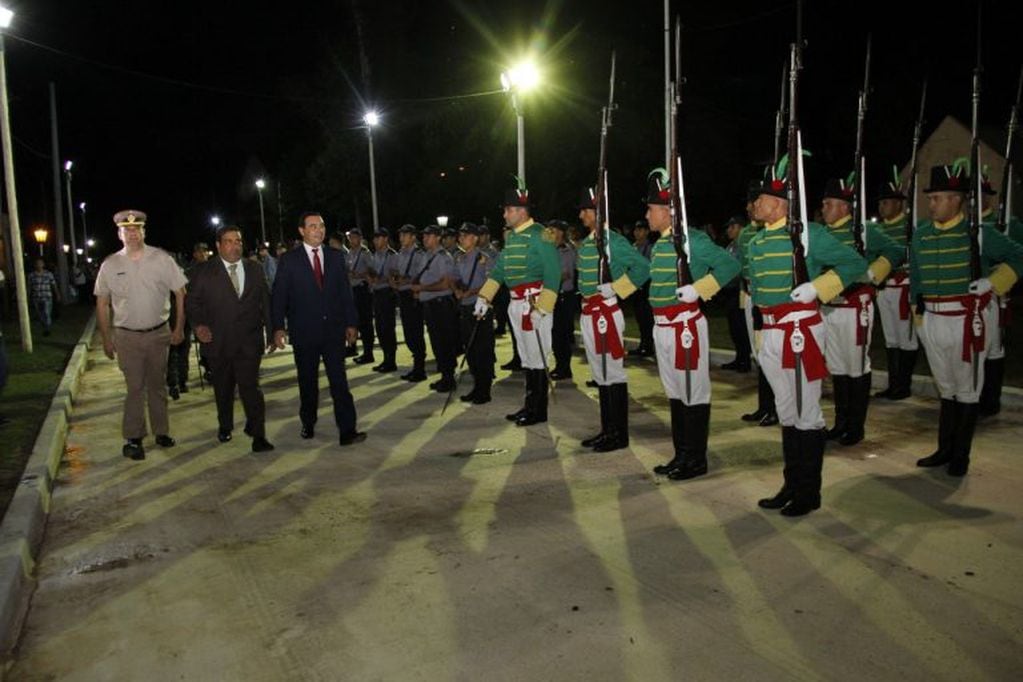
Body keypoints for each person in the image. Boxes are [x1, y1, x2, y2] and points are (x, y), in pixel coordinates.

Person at [749, 167, 866, 516]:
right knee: (787, 411)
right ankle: (791, 483)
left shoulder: (808, 235)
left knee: (806, 413)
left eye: (760, 199)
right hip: (771, 332)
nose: (753, 204)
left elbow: (854, 263)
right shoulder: (756, 242)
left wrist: (818, 288)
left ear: (779, 203)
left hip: (799, 331)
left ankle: (808, 492)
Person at [911, 163, 1023, 476]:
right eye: (931, 198)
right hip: (932, 320)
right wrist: (919, 321)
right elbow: (917, 281)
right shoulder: (921, 235)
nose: (932, 204)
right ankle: (944, 448)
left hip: (967, 320)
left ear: (958, 200)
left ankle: (961, 455)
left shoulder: (979, 234)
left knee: (968, 389)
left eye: (939, 198)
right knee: (946, 389)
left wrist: (994, 282)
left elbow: (1019, 256)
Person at [643, 170, 739, 477]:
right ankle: (681, 454)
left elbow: (730, 265)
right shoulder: (660, 245)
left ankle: (696, 459)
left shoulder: (693, 240)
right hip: (663, 327)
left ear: (667, 211)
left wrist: (699, 289)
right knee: (675, 392)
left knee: (693, 392)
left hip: (684, 326)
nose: (646, 215)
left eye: (650, 209)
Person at [94, 210, 188, 461]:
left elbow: (180, 292)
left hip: (158, 334)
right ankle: (133, 438)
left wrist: (178, 328)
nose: (132, 233)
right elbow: (102, 303)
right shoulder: (110, 265)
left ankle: (161, 431)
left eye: (137, 229)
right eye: (127, 230)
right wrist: (105, 338)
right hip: (127, 337)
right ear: (119, 234)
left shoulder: (161, 259)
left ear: (144, 232)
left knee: (158, 386)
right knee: (135, 387)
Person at [819, 176, 903, 446]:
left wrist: (872, 273)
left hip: (855, 307)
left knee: (856, 366)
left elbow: (895, 250)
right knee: (837, 368)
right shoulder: (823, 233)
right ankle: (840, 422)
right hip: (829, 307)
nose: (823, 208)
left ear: (844, 207)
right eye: (823, 203)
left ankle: (856, 426)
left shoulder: (864, 230)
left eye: (828, 204)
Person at [271, 212, 366, 446]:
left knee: (339, 382)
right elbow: (279, 297)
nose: (318, 230)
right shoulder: (289, 260)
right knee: (307, 382)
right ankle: (308, 422)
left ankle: (347, 430)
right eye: (312, 226)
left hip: (333, 331)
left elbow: (345, 293)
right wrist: (277, 327)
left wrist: (351, 323)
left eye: (321, 226)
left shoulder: (335, 257)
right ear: (302, 231)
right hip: (304, 332)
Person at [476, 179, 561, 426]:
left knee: (537, 358)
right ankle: (529, 404)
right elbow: (500, 269)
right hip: (516, 304)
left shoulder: (541, 235)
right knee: (526, 358)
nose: (504, 213)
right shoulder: (513, 238)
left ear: (521, 212)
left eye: (508, 210)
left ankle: (538, 410)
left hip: (534, 303)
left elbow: (554, 273)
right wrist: (485, 297)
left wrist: (542, 308)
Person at [573, 187, 651, 452]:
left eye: (586, 210)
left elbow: (642, 268)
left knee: (613, 374)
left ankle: (619, 434)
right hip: (589, 314)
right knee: (600, 374)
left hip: (605, 311)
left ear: (597, 212)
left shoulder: (613, 242)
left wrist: (617, 288)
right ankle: (607, 429)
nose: (582, 215)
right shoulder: (588, 243)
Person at [186, 226, 275, 452]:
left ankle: (258, 434)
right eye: (228, 241)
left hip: (249, 341)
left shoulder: (254, 269)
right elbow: (192, 303)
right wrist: (199, 325)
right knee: (223, 389)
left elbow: (266, 302)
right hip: (218, 342)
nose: (235, 246)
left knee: (251, 389)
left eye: (238, 241)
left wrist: (273, 331)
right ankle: (225, 425)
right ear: (218, 245)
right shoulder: (204, 271)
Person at [978, 173, 1023, 417]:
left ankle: (990, 400)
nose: (977, 200)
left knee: (994, 347)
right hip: (971, 295)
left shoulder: (1005, 223)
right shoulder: (969, 226)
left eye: (983, 195)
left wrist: (1002, 272)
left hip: (995, 293)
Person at [872, 170, 917, 400]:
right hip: (883, 288)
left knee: (906, 337)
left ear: (900, 204)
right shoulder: (878, 229)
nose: (882, 207)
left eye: (887, 202)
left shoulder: (908, 228)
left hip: (903, 288)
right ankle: (893, 383)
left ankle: (904, 384)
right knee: (890, 337)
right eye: (881, 203)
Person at [737, 181, 778, 426]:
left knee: (770, 353)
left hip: (769, 298)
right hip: (751, 296)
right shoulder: (745, 235)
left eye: (754, 203)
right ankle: (764, 405)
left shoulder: (768, 233)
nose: (750, 208)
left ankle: (774, 406)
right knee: (758, 353)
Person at [453, 222, 496, 403]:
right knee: (470, 350)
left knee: (482, 350)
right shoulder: (459, 258)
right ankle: (476, 385)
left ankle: (484, 390)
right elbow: (455, 278)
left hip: (480, 307)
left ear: (475, 238)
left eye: (465, 236)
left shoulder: (484, 258)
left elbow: (492, 283)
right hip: (464, 306)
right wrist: (457, 289)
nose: (461, 239)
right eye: (460, 236)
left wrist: (471, 292)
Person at [412, 225, 458, 393]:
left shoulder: (443, 257)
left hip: (441, 304)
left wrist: (422, 288)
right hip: (430, 305)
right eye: (424, 236)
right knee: (437, 343)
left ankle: (449, 377)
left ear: (438, 237)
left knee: (445, 342)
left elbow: (445, 284)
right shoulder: (426, 256)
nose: (425, 239)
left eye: (429, 236)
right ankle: (444, 376)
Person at [391, 224, 428, 381]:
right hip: (403, 294)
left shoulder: (419, 254)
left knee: (416, 331)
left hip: (414, 295)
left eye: (405, 235)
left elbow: (420, 275)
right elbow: (398, 273)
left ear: (413, 237)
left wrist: (404, 279)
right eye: (401, 235)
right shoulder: (401, 254)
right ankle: (416, 366)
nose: (401, 238)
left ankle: (420, 369)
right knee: (408, 332)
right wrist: (394, 279)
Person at [720, 215, 752, 372]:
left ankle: (745, 361)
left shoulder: (743, 245)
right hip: (729, 292)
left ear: (741, 227)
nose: (729, 230)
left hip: (739, 290)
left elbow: (739, 268)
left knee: (741, 327)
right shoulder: (731, 246)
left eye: (732, 227)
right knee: (734, 327)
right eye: (728, 227)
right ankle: (739, 358)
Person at [549, 219, 578, 380]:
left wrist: (547, 277)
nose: (550, 232)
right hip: (551, 295)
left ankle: (564, 367)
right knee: (554, 333)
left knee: (563, 333)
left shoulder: (567, 250)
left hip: (564, 297)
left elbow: (565, 274)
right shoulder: (548, 249)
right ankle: (559, 365)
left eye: (553, 229)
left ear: (560, 232)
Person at [368, 227, 398, 372]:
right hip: (377, 293)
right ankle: (385, 359)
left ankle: (391, 360)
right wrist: (371, 277)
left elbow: (395, 276)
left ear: (385, 239)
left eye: (378, 238)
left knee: (387, 328)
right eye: (374, 238)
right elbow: (372, 272)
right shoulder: (375, 255)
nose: (375, 241)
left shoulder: (392, 255)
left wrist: (382, 278)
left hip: (387, 293)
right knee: (379, 328)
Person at [346, 228, 375, 365]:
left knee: (365, 323)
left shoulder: (365, 253)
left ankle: (368, 353)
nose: (351, 240)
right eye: (350, 238)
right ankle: (360, 350)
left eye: (354, 237)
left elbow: (372, 271)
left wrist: (360, 274)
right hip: (353, 290)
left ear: (359, 238)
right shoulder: (350, 253)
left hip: (363, 289)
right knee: (356, 321)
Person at [628, 220, 656, 357]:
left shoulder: (651, 248)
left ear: (647, 232)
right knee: (639, 317)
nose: (637, 233)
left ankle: (648, 346)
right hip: (634, 287)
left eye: (640, 230)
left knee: (647, 318)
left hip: (646, 287)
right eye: (636, 230)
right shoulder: (632, 247)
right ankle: (643, 344)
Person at [28, 259, 60, 337]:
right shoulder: (32, 275)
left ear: (43, 265)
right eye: (37, 264)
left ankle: (47, 329)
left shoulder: (48, 274)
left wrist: (57, 294)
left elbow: (53, 285)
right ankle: (44, 325)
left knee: (46, 313)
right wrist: (28, 295)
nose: (39, 265)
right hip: (37, 297)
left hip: (47, 296)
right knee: (39, 314)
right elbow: (29, 286)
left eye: (40, 264)